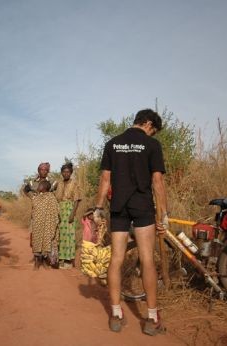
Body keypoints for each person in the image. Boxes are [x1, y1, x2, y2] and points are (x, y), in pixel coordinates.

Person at [94, 109, 168, 336]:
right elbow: (157, 182)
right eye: (153, 130)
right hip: (142, 206)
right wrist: (163, 214)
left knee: (116, 259)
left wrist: (98, 208)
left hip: (118, 208)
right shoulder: (151, 146)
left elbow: (105, 180)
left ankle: (116, 314)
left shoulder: (112, 143)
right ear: (147, 123)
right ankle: (152, 319)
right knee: (146, 259)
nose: (152, 134)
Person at [55, 162, 82, 269]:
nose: (66, 174)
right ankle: (60, 258)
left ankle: (68, 260)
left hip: (69, 209)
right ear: (61, 173)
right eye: (64, 172)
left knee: (69, 236)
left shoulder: (74, 183)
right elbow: (55, 198)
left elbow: (77, 200)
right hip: (60, 210)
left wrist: (72, 214)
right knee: (60, 235)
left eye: (68, 172)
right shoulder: (59, 184)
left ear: (71, 173)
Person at [30, 180, 59, 270]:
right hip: (37, 224)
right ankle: (36, 263)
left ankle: (44, 262)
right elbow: (34, 207)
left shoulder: (51, 197)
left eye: (39, 186)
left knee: (46, 243)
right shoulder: (36, 197)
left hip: (47, 224)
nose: (38, 187)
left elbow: (56, 210)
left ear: (44, 188)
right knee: (37, 242)